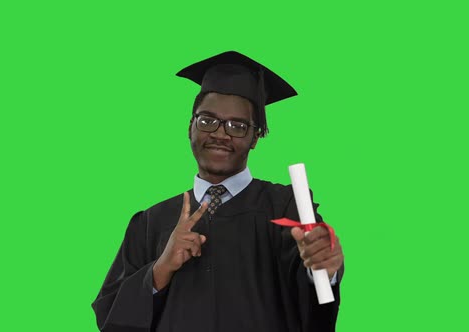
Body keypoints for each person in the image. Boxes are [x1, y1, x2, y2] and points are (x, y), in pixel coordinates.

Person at [92, 51, 345, 332]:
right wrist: (159, 270)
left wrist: (324, 268)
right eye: (207, 120)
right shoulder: (151, 223)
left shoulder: (288, 208)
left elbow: (316, 304)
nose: (221, 134)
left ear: (256, 137)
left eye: (238, 126)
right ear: (190, 126)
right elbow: (110, 319)